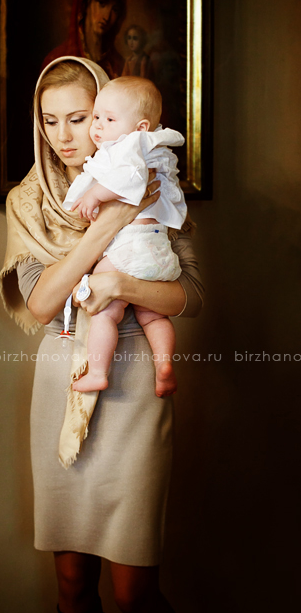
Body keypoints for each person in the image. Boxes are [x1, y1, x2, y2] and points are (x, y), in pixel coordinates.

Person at [0, 56, 203, 613]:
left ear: (110, 115)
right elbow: (42, 305)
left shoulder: (153, 178)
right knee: (71, 585)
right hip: (63, 376)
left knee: (134, 594)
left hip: (136, 382)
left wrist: (122, 284)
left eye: (80, 118)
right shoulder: (28, 202)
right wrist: (110, 222)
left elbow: (190, 295)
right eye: (49, 120)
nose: (64, 135)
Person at [62, 76, 186, 397]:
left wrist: (94, 195)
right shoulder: (157, 149)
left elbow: (130, 178)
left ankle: (97, 373)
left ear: (140, 127)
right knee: (153, 316)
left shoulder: (131, 147)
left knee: (105, 312)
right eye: (96, 117)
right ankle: (164, 366)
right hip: (157, 250)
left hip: (129, 249)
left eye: (109, 119)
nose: (98, 126)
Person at [42, 0, 126, 79]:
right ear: (86, 4)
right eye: (101, 3)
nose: (107, 17)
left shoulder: (118, 64)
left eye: (115, 10)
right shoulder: (57, 60)